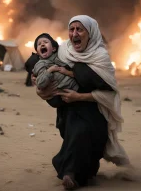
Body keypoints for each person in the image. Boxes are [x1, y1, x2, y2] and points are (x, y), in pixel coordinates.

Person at [34, 15, 130, 190]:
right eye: (72, 29)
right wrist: (38, 81)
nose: (75, 33)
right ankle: (71, 174)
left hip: (94, 110)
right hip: (68, 109)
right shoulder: (63, 50)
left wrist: (79, 97)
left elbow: (108, 94)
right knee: (75, 134)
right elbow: (43, 63)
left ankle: (73, 174)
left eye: (80, 29)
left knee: (85, 137)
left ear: (90, 33)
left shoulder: (100, 57)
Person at [32, 33, 79, 108]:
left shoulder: (61, 55)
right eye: (39, 44)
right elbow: (40, 83)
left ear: (54, 48)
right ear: (37, 53)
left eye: (46, 42)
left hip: (75, 91)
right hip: (59, 97)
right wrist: (50, 70)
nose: (42, 44)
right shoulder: (40, 64)